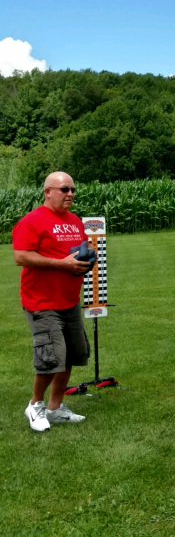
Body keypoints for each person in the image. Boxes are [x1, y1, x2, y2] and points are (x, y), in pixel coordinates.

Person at [13, 172, 92, 432]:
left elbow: (74, 255)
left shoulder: (74, 221)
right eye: (63, 189)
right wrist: (62, 264)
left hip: (68, 300)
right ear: (48, 192)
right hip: (41, 301)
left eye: (72, 189)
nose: (70, 193)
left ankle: (55, 408)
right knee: (51, 358)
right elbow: (21, 256)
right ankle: (35, 405)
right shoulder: (32, 221)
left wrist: (81, 266)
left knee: (68, 355)